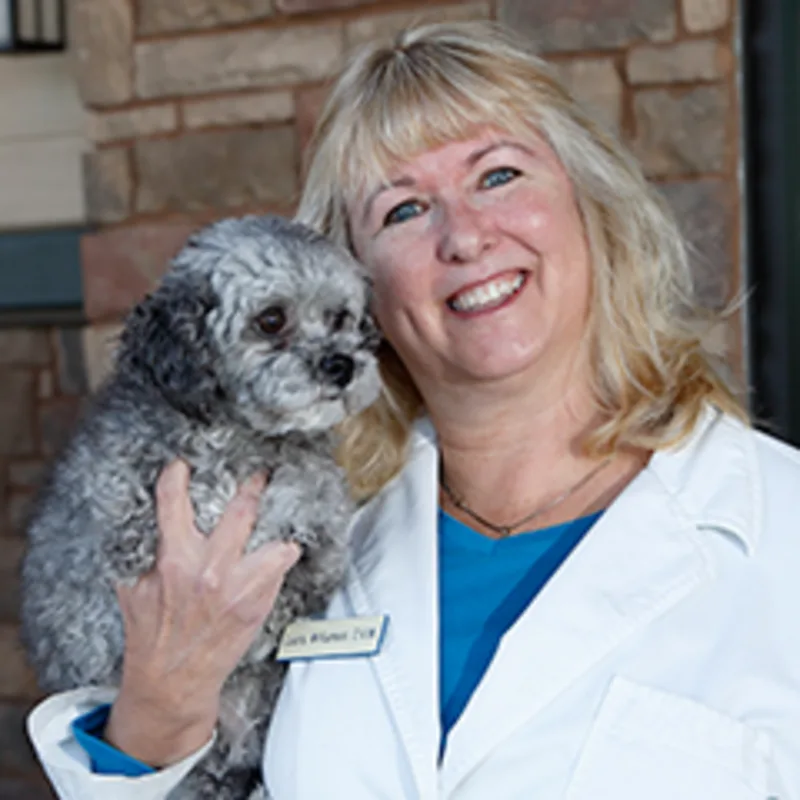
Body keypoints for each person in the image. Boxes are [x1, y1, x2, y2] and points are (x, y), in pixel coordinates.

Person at [27, 20, 800, 799]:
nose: (464, 237)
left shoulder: (781, 531)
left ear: (590, 202)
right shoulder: (287, 544)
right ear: (356, 285)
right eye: (403, 211)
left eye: (498, 175)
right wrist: (160, 710)